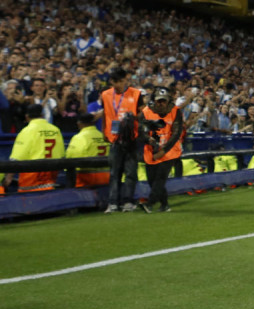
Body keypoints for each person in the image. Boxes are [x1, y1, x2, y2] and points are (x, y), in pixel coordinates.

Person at [98, 67, 145, 213]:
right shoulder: (105, 95)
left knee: (130, 172)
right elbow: (106, 113)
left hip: (131, 137)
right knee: (114, 172)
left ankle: (128, 202)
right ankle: (113, 203)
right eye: (115, 81)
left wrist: (134, 118)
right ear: (111, 81)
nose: (118, 84)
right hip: (114, 138)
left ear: (126, 79)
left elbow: (143, 113)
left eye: (121, 81)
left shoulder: (136, 94)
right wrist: (103, 131)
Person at [3, 103, 66, 193]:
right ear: (42, 115)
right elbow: (61, 154)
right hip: (51, 174)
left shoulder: (27, 131)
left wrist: (9, 177)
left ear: (27, 117)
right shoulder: (55, 130)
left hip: (31, 177)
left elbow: (17, 158)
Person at [139, 87, 184, 213]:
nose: (161, 103)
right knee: (152, 180)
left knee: (160, 178)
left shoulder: (175, 112)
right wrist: (149, 140)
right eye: (159, 101)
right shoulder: (146, 112)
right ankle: (164, 205)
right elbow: (141, 131)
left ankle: (149, 203)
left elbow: (176, 133)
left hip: (170, 150)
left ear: (168, 101)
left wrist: (163, 151)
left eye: (163, 101)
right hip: (151, 149)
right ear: (154, 101)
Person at [65, 112, 110, 188]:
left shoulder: (80, 138)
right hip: (106, 177)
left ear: (80, 123)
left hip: (86, 178)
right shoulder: (103, 136)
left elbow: (71, 158)